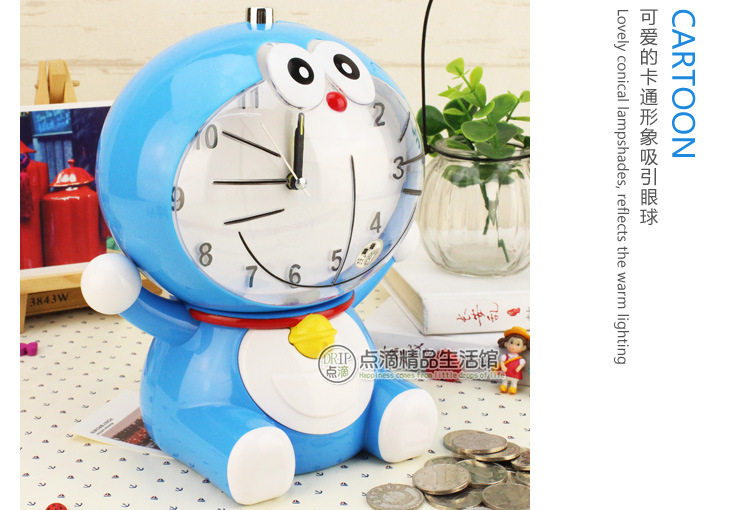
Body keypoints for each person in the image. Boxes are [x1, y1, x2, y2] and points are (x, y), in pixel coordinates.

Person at [495, 326, 530, 394]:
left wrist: (518, 368)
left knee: (514, 381)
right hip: (506, 371)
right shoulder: (505, 356)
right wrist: (503, 366)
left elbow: (521, 364)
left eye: (518, 344)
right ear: (506, 343)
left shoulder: (520, 359)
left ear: (523, 347)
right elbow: (502, 361)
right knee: (504, 379)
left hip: (515, 373)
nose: (513, 346)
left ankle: (513, 388)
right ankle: (504, 386)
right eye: (511, 343)